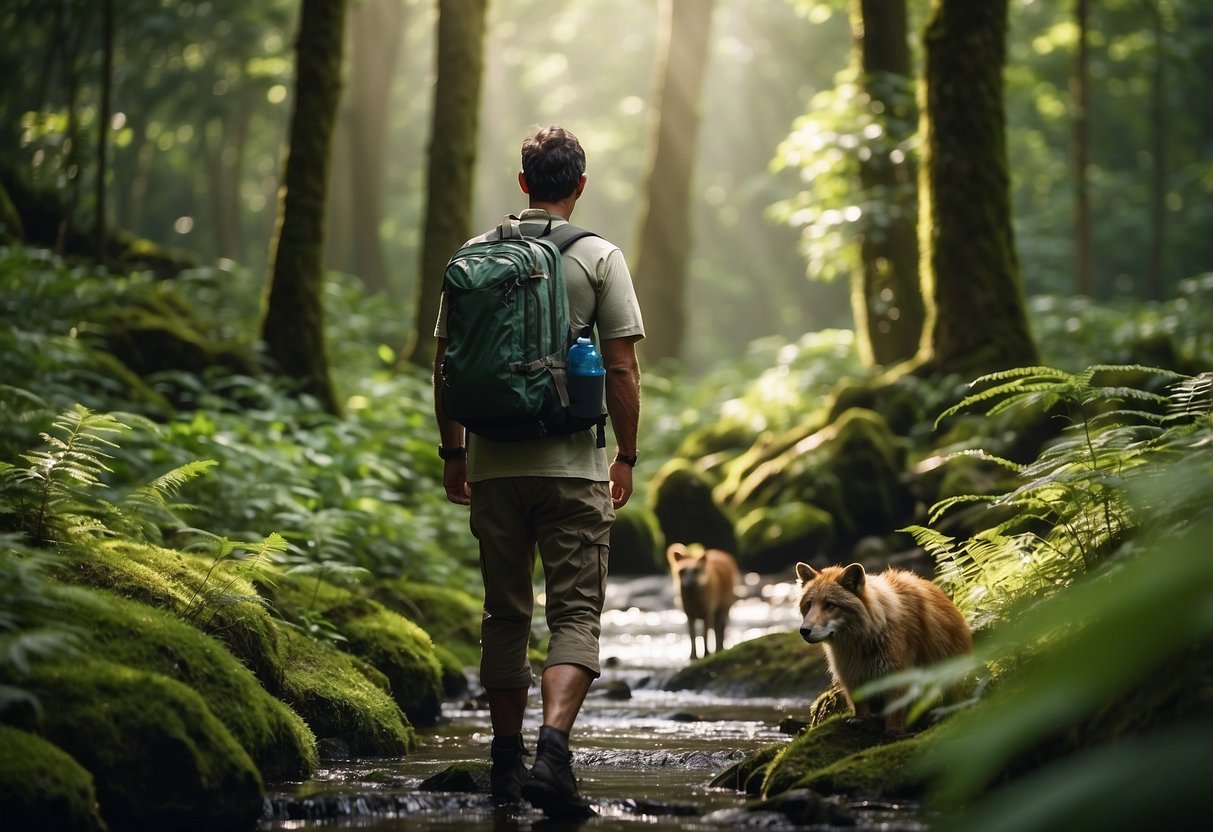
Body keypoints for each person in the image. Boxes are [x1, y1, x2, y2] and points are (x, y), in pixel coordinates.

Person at [432, 125, 644, 818]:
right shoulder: (599, 257)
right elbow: (621, 368)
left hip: (492, 465)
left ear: (522, 183)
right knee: (575, 613)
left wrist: (455, 453)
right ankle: (551, 753)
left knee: (504, 613)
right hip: (573, 469)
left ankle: (503, 761)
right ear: (579, 185)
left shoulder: (470, 256)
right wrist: (626, 456)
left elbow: (445, 367)